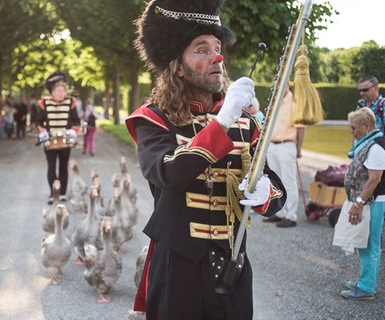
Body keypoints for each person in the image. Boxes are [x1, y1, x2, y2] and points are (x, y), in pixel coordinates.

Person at [125, 0, 287, 318]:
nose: (217, 57)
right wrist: (222, 121)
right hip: (177, 267)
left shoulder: (247, 124)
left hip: (233, 264)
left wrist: (266, 193)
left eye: (217, 46)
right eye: (201, 49)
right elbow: (166, 172)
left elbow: (278, 193)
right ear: (177, 65)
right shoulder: (152, 119)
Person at [337, 107, 385, 300]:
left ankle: (366, 288)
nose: (352, 131)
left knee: (370, 245)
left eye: (354, 127)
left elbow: (374, 179)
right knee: (365, 243)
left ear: (366, 126)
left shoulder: (376, 147)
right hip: (368, 202)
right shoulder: (369, 143)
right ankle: (365, 282)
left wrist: (358, 203)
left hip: (373, 202)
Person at [35, 71, 81, 205]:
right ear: (53, 92)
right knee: (51, 166)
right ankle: (52, 192)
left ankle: (62, 193)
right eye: (58, 91)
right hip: (50, 141)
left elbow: (76, 121)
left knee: (63, 167)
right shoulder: (44, 103)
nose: (61, 93)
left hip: (65, 140)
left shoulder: (70, 102)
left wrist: (73, 131)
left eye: (63, 91)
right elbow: (37, 122)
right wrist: (42, 131)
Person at [263, 84, 306, 228]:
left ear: (287, 85)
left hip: (287, 144)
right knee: (275, 180)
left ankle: (291, 215)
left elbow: (301, 127)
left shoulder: (295, 102)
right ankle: (280, 212)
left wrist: (298, 149)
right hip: (273, 145)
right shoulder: (274, 102)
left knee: (289, 181)